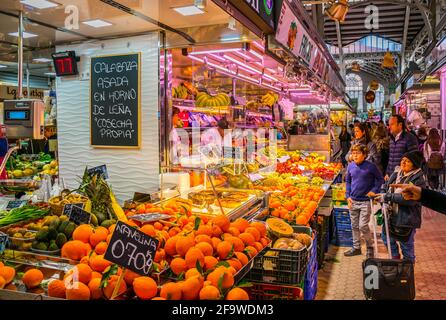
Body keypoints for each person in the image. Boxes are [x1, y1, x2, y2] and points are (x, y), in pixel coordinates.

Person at [372, 151, 425, 262]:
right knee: (386, 239)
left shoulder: (418, 180)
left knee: (406, 246)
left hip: (406, 218)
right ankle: (396, 261)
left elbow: (409, 200)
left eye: (408, 161)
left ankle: (407, 270)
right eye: (402, 160)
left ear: (414, 164)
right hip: (391, 216)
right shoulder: (397, 173)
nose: (403, 162)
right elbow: (385, 186)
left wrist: (387, 197)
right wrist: (382, 193)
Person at [345, 144, 384, 258]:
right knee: (354, 225)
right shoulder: (350, 166)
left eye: (358, 153)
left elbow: (380, 179)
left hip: (366, 202)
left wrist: (374, 190)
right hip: (353, 200)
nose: (355, 155)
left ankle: (369, 246)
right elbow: (348, 181)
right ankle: (356, 247)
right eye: (353, 153)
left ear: (365, 154)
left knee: (363, 225)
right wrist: (348, 196)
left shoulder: (371, 166)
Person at [385, 115, 418, 181]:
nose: (389, 127)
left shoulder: (410, 138)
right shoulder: (391, 139)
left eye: (392, 124)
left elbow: (414, 158)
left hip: (404, 177)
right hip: (392, 176)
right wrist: (387, 173)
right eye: (389, 125)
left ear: (400, 125)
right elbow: (391, 158)